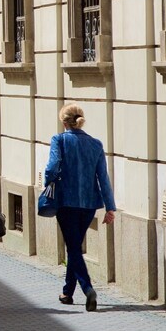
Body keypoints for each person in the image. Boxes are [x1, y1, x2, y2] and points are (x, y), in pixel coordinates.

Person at [45, 104, 117, 312]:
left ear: (63, 122)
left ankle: (88, 289)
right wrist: (110, 207)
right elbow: (103, 177)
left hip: (66, 202)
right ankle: (67, 292)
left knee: (74, 247)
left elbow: (51, 167)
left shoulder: (59, 140)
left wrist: (49, 182)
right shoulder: (95, 144)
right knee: (74, 245)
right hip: (88, 205)